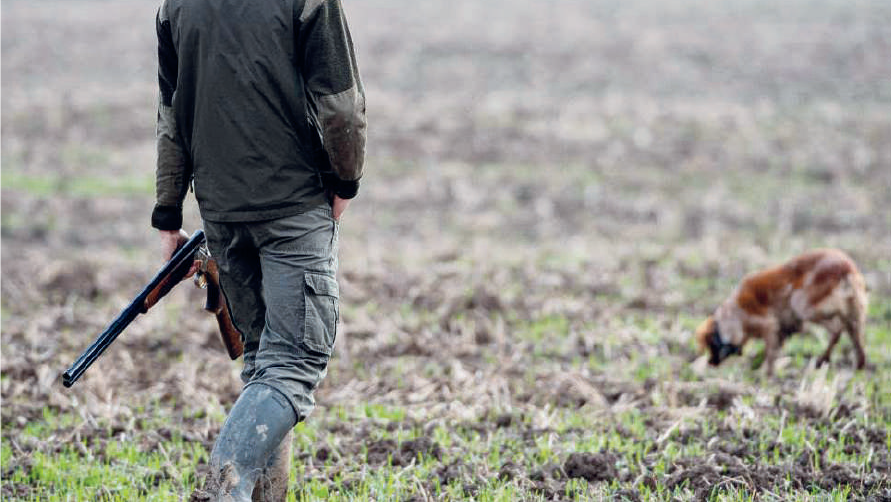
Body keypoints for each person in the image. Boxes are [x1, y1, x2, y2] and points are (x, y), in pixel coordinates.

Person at [151, 0, 366, 499]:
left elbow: (171, 114)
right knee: (292, 362)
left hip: (222, 213)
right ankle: (223, 486)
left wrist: (168, 214)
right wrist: (346, 181)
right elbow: (341, 106)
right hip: (292, 203)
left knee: (264, 365)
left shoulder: (174, 5)